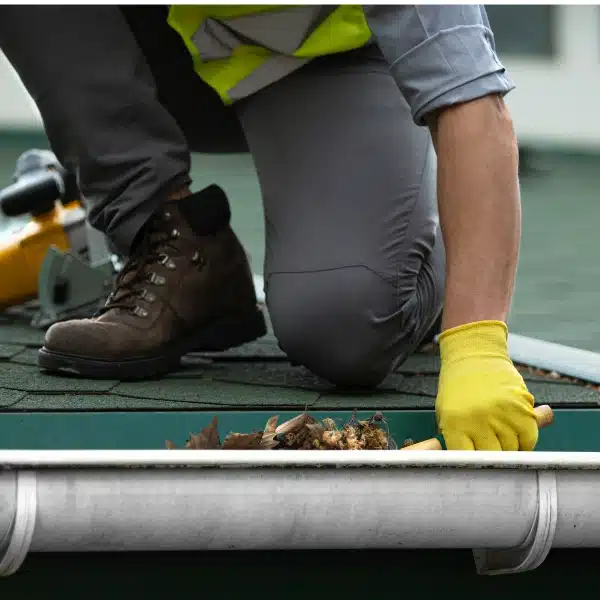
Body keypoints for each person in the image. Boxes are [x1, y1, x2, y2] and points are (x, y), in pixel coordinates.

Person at [0, 5, 539, 451]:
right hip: (167, 50)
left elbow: (472, 102)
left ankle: (423, 258)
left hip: (327, 64)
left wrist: (476, 344)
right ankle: (166, 234)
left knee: (345, 328)